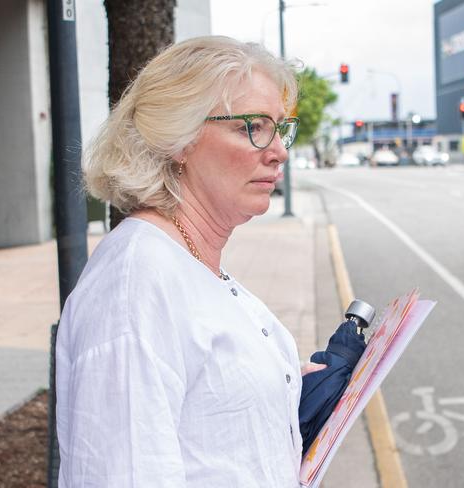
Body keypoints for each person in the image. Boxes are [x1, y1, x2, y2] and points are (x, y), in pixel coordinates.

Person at [55, 36, 325, 487]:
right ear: (178, 140)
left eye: (281, 128)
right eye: (252, 127)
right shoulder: (135, 282)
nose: (279, 150)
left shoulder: (189, 260)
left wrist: (280, 385)